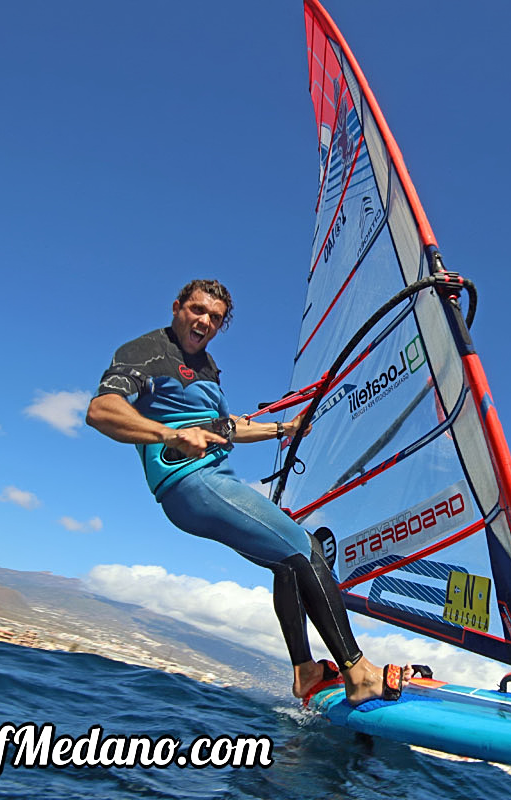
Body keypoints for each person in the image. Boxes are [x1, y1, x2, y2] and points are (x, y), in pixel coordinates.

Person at [86, 279, 411, 705]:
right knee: (304, 548)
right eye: (197, 310)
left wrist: (284, 428)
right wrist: (169, 434)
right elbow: (101, 410)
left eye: (215, 318)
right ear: (177, 307)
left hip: (211, 483)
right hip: (190, 483)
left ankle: (306, 671)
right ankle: (358, 672)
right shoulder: (146, 351)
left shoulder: (207, 368)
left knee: (288, 565)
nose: (204, 322)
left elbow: (228, 426)